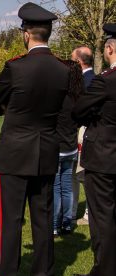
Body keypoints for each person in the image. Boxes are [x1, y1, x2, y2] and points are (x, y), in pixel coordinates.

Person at [0, 3, 73, 276]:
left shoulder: (16, 67)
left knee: (11, 222)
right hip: (46, 150)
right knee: (43, 219)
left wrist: (15, 107)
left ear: (26, 34)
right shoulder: (63, 69)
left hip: (15, 153)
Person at [72, 23, 116, 276]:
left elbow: (79, 111)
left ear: (109, 49)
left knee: (102, 215)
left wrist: (95, 116)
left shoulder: (105, 82)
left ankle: (105, 269)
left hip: (103, 154)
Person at [53, 60, 83, 237]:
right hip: (71, 147)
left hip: (58, 147)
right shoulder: (77, 97)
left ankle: (55, 224)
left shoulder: (60, 98)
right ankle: (67, 222)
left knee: (57, 187)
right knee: (67, 186)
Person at [71, 46, 95, 226]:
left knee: (80, 174)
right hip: (87, 130)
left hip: (82, 130)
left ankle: (84, 212)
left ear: (79, 62)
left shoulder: (85, 82)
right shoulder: (95, 78)